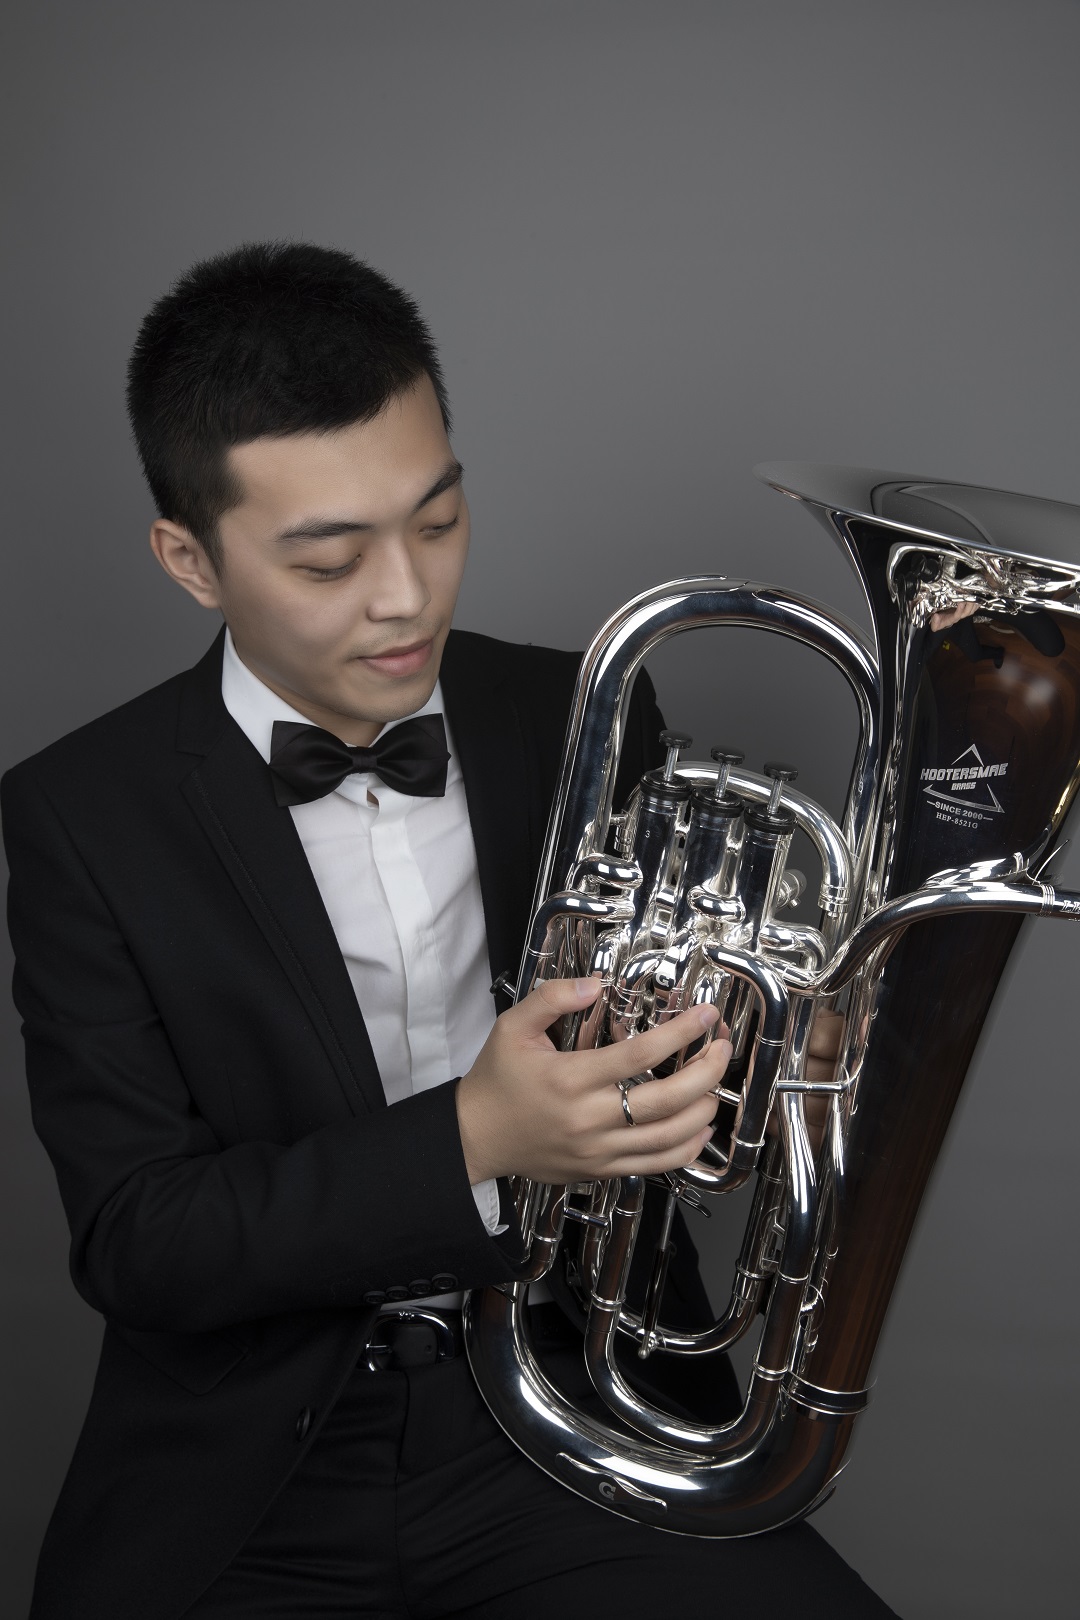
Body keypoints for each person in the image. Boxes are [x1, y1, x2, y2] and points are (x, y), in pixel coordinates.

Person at [2, 243, 896, 1619]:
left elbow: (667, 1099)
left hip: (566, 1406)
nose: (407, 595)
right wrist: (474, 1138)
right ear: (191, 561)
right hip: (258, 1464)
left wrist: (766, 1056)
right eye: (328, 559)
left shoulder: (581, 713)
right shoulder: (80, 815)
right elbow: (139, 1240)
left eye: (437, 520)